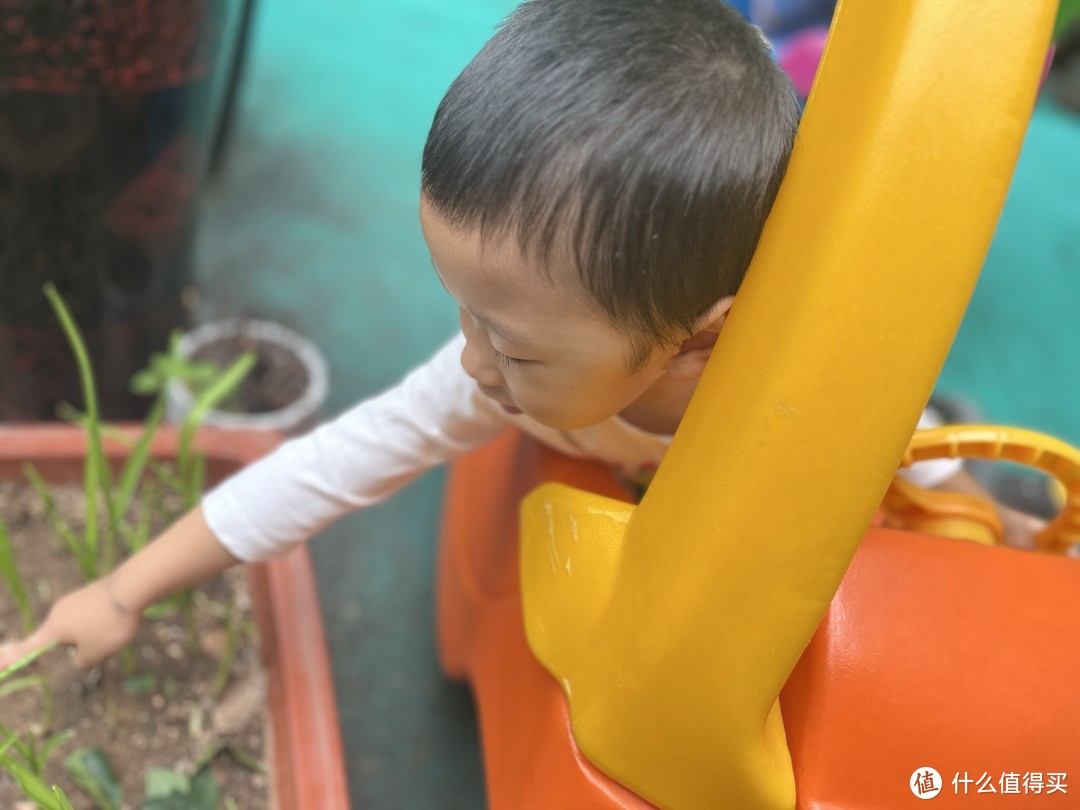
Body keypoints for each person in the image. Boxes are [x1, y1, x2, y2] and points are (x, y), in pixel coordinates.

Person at [0, 0, 1042, 672]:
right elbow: (326, 467)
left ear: (697, 340)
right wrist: (119, 590)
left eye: (516, 347)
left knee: (956, 494)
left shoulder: (804, 406)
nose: (469, 363)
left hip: (870, 448)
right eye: (464, 314)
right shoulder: (495, 371)